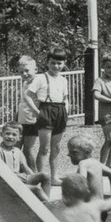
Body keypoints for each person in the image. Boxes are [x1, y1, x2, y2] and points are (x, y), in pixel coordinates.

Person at [29, 50, 72, 184]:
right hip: (46, 109)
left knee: (56, 147)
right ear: (47, 62)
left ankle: (54, 177)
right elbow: (28, 95)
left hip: (60, 110)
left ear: (64, 63)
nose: (56, 66)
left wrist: (66, 112)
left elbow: (65, 98)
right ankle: (41, 178)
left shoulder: (63, 80)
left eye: (59, 63)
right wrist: (36, 112)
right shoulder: (40, 78)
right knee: (45, 147)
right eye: (53, 63)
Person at [0, 122, 50, 202]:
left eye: (14, 135)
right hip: (9, 182)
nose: (10, 137)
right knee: (37, 189)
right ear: (1, 134)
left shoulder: (17, 151)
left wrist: (34, 177)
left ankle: (46, 203)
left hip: (22, 179)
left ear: (19, 138)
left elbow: (26, 168)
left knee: (45, 176)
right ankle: (49, 206)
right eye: (7, 134)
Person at [65, 131, 111, 198]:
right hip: (100, 202)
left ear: (86, 152)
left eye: (74, 152)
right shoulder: (95, 162)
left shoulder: (83, 163)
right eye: (69, 152)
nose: (69, 155)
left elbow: (81, 182)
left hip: (90, 205)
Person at [14, 55, 41, 169]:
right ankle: (17, 170)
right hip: (22, 120)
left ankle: (34, 172)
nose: (24, 74)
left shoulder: (39, 83)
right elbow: (23, 103)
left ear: (35, 70)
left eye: (27, 71)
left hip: (32, 121)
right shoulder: (25, 83)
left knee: (27, 149)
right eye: (21, 72)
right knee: (16, 147)